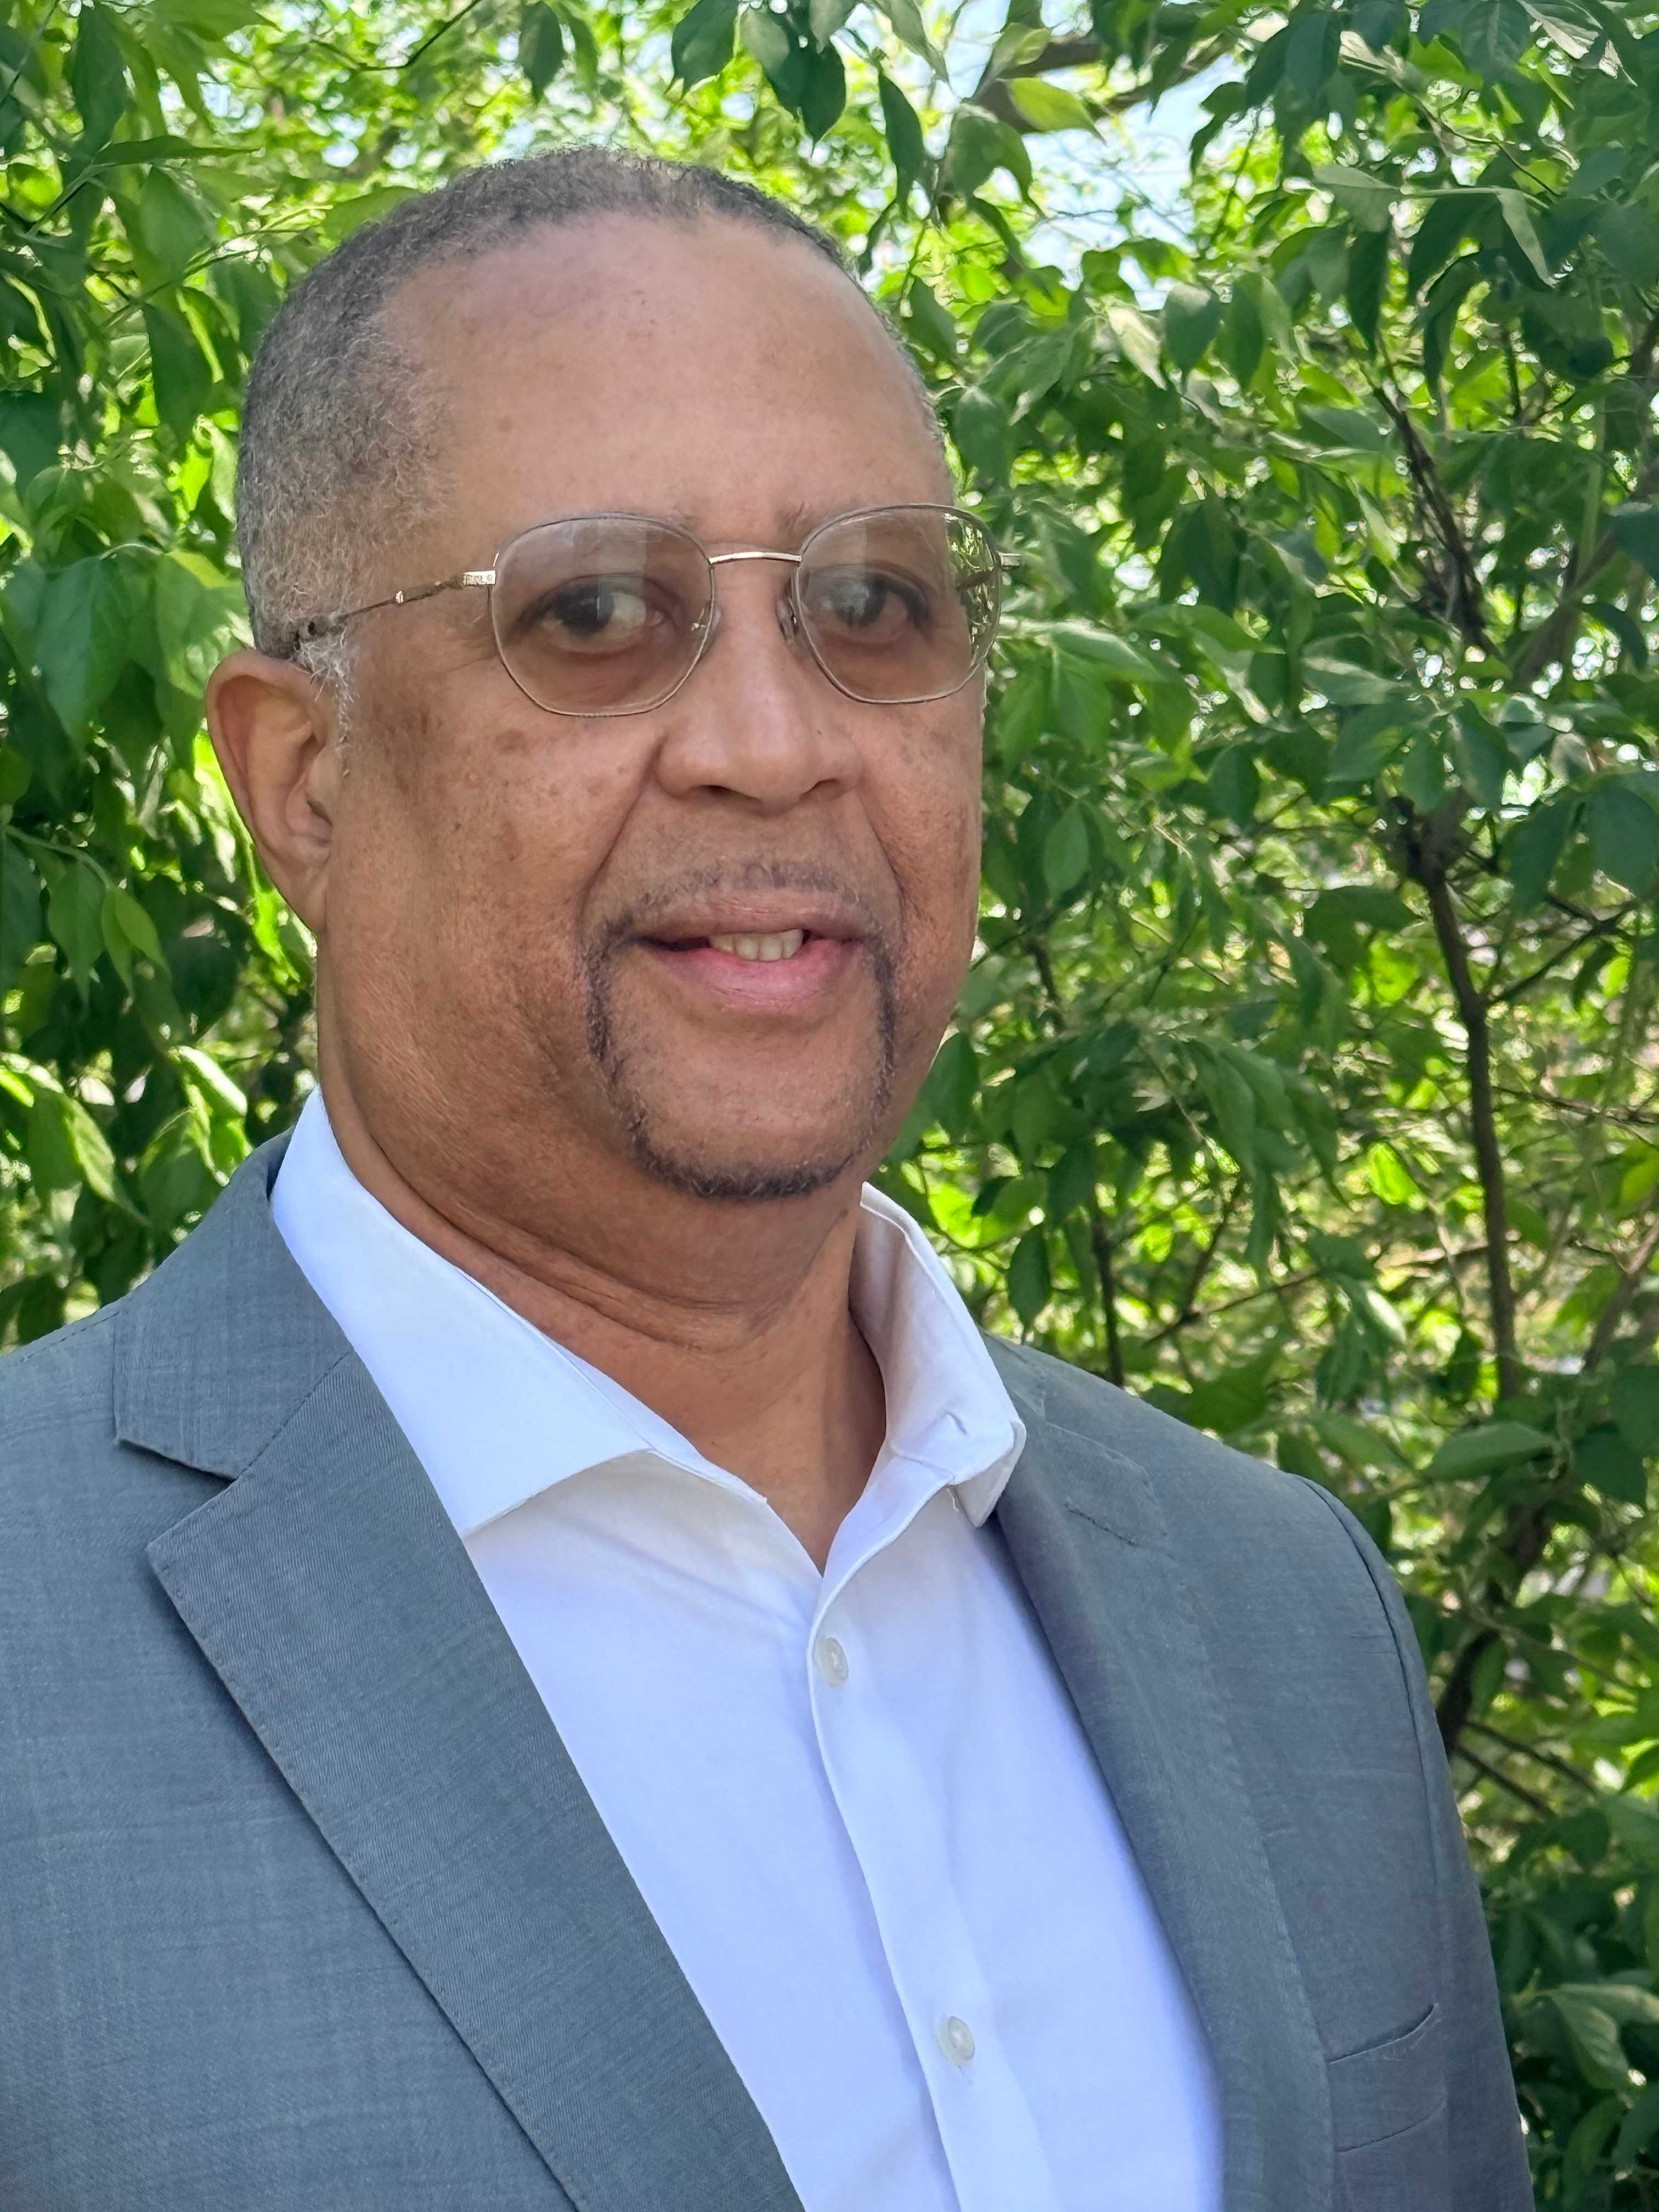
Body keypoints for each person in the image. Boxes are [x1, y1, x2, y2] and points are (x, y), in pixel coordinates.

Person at [0, 149, 1530, 2212]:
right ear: (309, 779)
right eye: (598, 614)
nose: (771, 739)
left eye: (872, 604)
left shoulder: (1287, 1613)